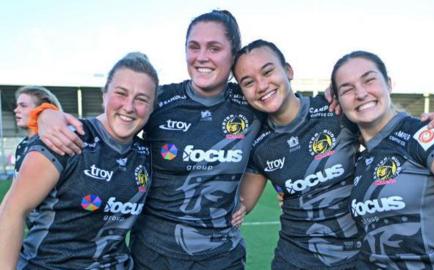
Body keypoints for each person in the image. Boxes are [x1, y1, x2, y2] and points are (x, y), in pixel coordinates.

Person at [33, 10, 264, 270]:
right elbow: (107, 121)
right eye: (193, 47)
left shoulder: (251, 103)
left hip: (222, 258)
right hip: (154, 256)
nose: (201, 57)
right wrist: (46, 114)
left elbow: (284, 128)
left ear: (233, 54)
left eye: (214, 48)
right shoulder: (161, 100)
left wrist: (245, 202)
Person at [231, 39, 434, 270]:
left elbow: (388, 126)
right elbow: (239, 204)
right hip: (292, 261)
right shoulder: (258, 141)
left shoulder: (336, 108)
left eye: (268, 71)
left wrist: (433, 123)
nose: (261, 85)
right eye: (248, 82)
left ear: (288, 71)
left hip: (356, 260)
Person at [0, 52, 157, 269]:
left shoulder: (147, 155)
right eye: (121, 93)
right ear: (104, 94)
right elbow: (11, 211)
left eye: (141, 99)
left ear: (152, 106)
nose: (129, 107)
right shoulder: (64, 138)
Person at [330, 50, 434, 269]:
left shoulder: (426, 134)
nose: (361, 93)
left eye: (369, 80)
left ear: (388, 84)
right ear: (338, 101)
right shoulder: (356, 157)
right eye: (347, 89)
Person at [13, 85, 63, 178]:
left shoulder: (51, 143)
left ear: (43, 109)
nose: (16, 110)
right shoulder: (22, 145)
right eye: (17, 105)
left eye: (23, 106)